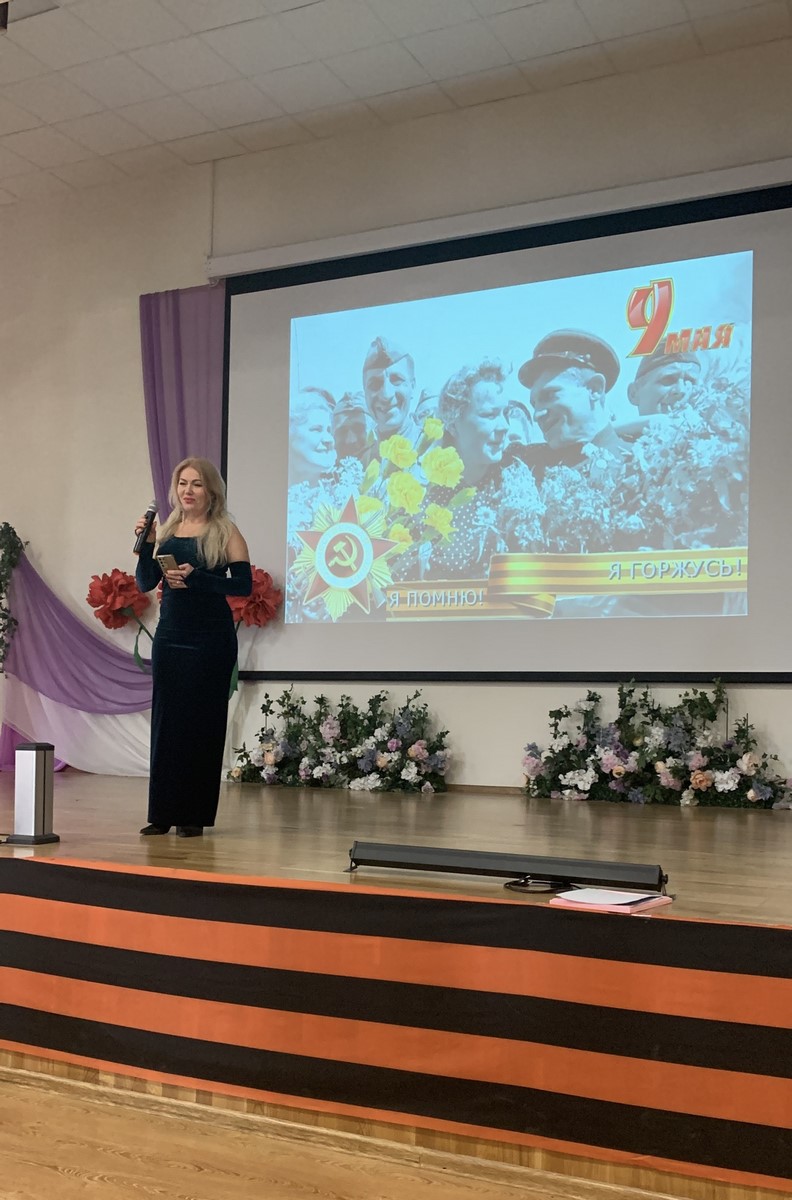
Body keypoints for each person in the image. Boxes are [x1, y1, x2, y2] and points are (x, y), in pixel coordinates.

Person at [134, 457, 252, 838]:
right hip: (171, 636)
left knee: (202, 724)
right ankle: (162, 813)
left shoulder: (226, 531)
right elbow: (145, 583)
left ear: (211, 491)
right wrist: (146, 546)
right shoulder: (167, 529)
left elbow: (243, 586)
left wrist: (198, 578)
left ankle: (193, 816)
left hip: (210, 639)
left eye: (196, 484)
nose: (188, 490)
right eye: (183, 483)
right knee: (167, 724)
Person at [517, 328, 624, 473]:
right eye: (534, 404)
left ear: (594, 389)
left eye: (549, 396)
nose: (536, 415)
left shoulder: (640, 463)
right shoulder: (529, 469)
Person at [362, 336, 421, 454]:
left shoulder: (438, 448)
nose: (386, 395)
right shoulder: (360, 462)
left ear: (413, 387)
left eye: (397, 380)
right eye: (374, 384)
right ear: (365, 393)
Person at [288, 387, 336, 485]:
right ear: (290, 434)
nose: (329, 439)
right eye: (316, 430)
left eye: (329, 431)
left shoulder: (350, 488)